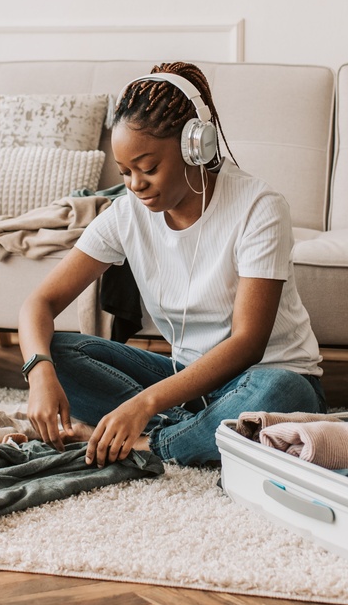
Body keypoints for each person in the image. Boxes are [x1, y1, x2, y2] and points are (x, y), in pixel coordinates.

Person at [17, 62, 326, 467]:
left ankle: (146, 443)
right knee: (53, 351)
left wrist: (144, 404)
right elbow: (38, 304)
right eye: (125, 171)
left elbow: (248, 343)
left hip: (264, 376)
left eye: (148, 168)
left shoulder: (259, 208)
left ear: (194, 147)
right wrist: (38, 372)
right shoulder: (125, 214)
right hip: (184, 382)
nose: (135, 185)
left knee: (282, 393)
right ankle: (200, 432)